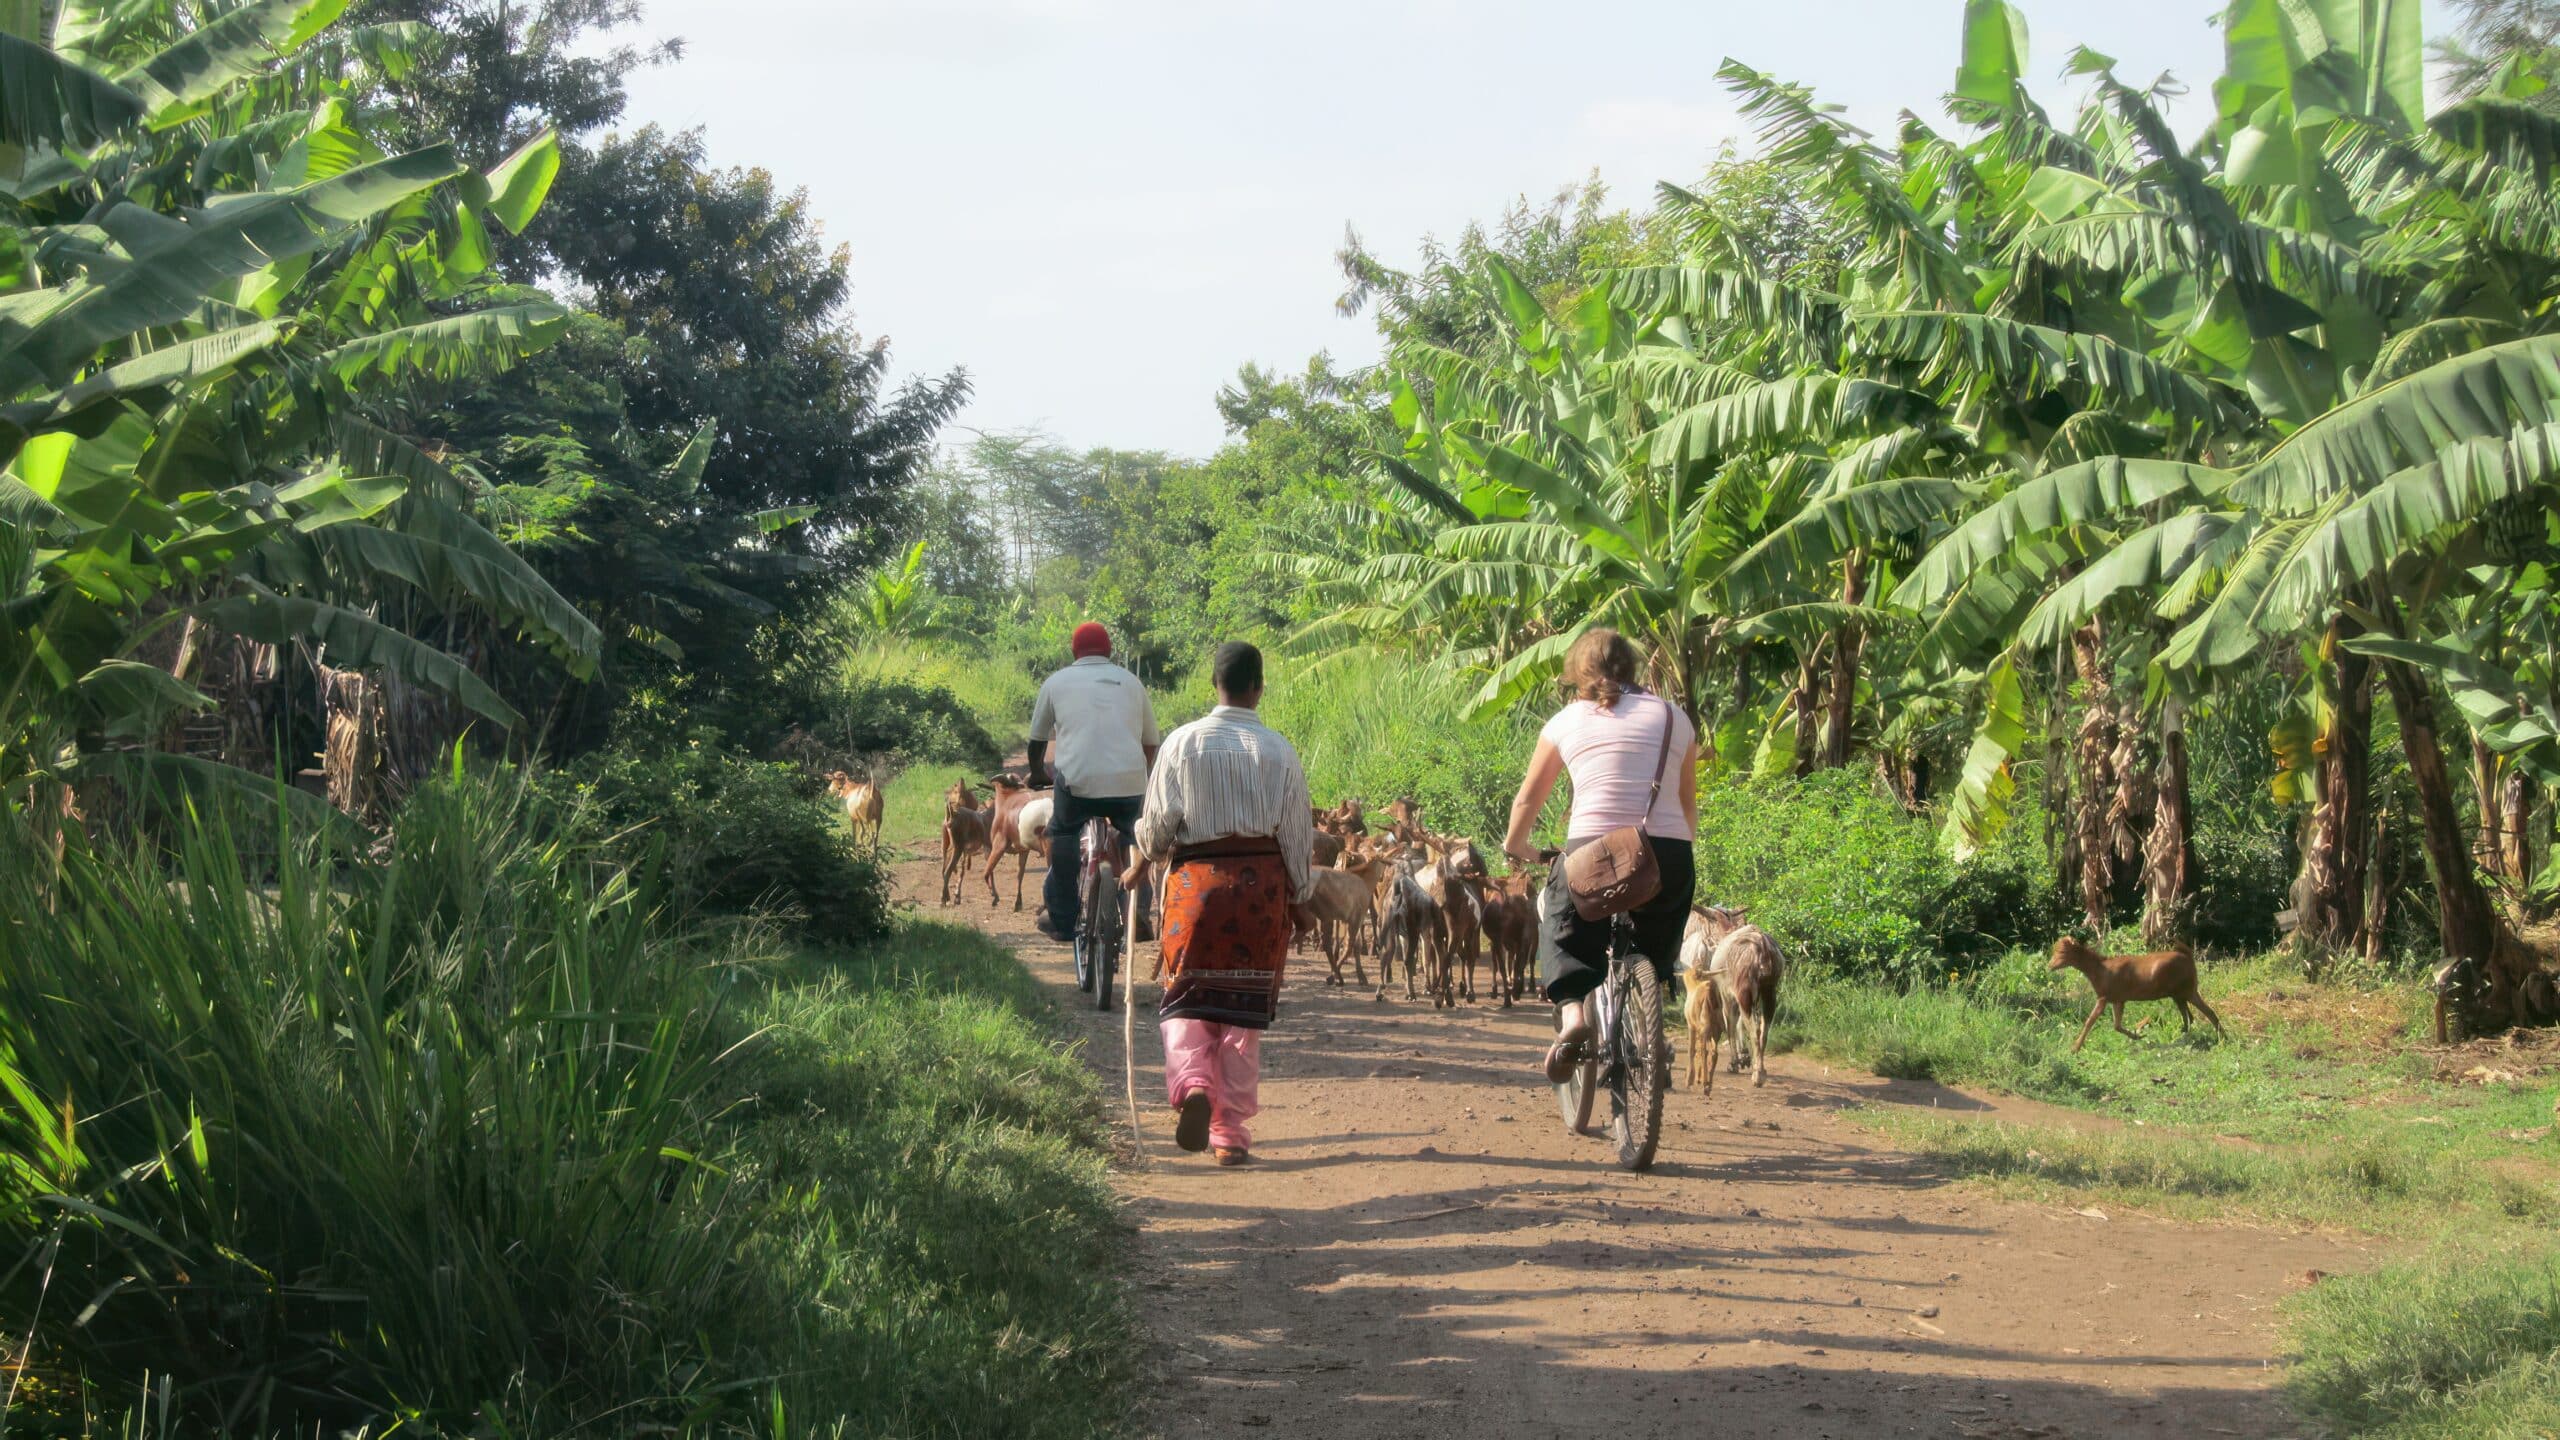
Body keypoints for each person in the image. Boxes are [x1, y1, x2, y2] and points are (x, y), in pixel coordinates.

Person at [1128, 641, 1315, 1166]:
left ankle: (1191, 1084)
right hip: (1261, 896)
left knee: (1186, 999)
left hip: (1195, 892)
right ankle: (1228, 1131)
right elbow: (1297, 836)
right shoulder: (1279, 750)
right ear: (1258, 687)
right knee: (1242, 1015)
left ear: (1215, 684)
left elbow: (1160, 828)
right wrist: (1300, 897)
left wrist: (1144, 850)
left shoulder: (1182, 744)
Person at [1499, 628, 1700, 1084]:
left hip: (1592, 853)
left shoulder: (1566, 721)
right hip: (1666, 851)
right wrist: (1674, 855)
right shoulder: (1675, 718)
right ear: (1633, 667)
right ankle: (1652, 1025)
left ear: (1579, 672)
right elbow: (1687, 805)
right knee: (1658, 937)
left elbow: (1528, 799)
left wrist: (1517, 846)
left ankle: (1572, 1016)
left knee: (1562, 920)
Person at [1028, 622, 1161, 945]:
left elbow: (1036, 741)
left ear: (1074, 652)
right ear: (1110, 651)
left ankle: (1061, 918)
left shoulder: (1056, 682)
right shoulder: (1132, 683)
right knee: (1135, 836)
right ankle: (1137, 913)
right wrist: (1142, 776)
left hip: (1077, 785)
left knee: (1062, 832)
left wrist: (1037, 773)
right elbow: (1151, 744)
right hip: (1129, 786)